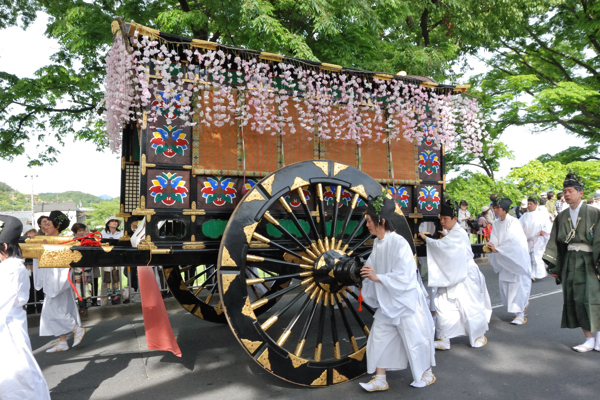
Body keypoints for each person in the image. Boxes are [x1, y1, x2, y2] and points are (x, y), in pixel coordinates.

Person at [358, 193, 436, 392]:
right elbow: (371, 267)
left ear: (380, 221)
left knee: (415, 338)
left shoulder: (399, 242)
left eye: (368, 221)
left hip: (406, 301)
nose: (366, 225)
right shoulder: (378, 242)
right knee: (378, 337)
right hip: (388, 300)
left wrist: (378, 278)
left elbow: (405, 276)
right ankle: (380, 378)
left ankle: (427, 373)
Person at [419, 202, 492, 351]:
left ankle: (478, 335)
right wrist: (443, 237)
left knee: (469, 306)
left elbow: (444, 247)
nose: (442, 221)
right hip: (452, 274)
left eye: (445, 218)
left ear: (454, 219)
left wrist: (426, 239)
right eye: (441, 218)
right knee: (443, 306)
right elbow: (447, 245)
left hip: (465, 275)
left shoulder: (458, 233)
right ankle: (444, 338)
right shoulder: (453, 233)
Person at [544, 172, 600, 352]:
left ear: (580, 193)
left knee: (592, 298)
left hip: (590, 260)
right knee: (575, 299)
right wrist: (555, 265)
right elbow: (556, 243)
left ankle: (599, 337)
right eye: (564, 191)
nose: (566, 194)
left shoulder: (594, 213)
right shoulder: (561, 217)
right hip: (570, 260)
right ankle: (589, 339)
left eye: (570, 191)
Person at [0, 215, 51, 399]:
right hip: (8, 320)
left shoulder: (11, 269)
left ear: (4, 246)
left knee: (17, 370)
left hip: (8, 323)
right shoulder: (10, 266)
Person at [33, 210, 86, 352]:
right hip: (51, 278)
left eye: (48, 224)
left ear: (57, 226)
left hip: (59, 279)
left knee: (52, 310)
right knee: (61, 309)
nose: (45, 227)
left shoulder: (65, 241)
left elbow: (62, 261)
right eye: (44, 224)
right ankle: (62, 341)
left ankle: (76, 329)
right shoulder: (45, 239)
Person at [486, 198, 532, 325]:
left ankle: (520, 314)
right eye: (494, 208)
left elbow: (513, 241)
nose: (495, 210)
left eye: (497, 208)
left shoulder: (514, 222)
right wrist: (492, 246)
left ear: (504, 210)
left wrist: (498, 249)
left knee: (517, 287)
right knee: (505, 287)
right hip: (503, 259)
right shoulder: (496, 223)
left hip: (515, 259)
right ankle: (517, 310)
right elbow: (494, 237)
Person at [519, 197, 552, 281]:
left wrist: (544, 231)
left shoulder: (542, 215)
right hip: (527, 239)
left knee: (536, 257)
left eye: (531, 204)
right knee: (527, 257)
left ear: (536, 205)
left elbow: (547, 225)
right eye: (528, 204)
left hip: (538, 238)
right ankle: (530, 274)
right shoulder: (524, 215)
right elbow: (519, 225)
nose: (529, 206)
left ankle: (538, 273)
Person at [101, 216, 123, 304]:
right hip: (105, 258)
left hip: (116, 257)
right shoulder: (103, 232)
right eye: (112, 221)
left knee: (116, 277)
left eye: (116, 221)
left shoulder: (120, 233)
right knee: (105, 278)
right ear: (108, 223)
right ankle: (104, 302)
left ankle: (116, 299)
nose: (115, 222)